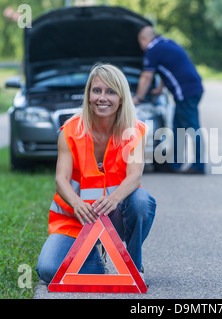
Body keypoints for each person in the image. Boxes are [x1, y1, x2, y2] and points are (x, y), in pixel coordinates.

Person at [36, 64, 156, 283]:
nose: (103, 98)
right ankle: (100, 263)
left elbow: (135, 175)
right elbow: (60, 180)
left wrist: (113, 199)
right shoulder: (70, 130)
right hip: (76, 220)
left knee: (141, 201)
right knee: (48, 269)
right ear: (88, 95)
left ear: (121, 98)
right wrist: (76, 204)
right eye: (97, 90)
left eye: (111, 91)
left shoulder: (135, 131)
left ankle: (132, 267)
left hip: (114, 216)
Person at [133, 26, 205, 174]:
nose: (140, 46)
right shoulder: (167, 43)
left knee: (192, 127)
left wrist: (138, 98)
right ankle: (174, 165)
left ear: (144, 39)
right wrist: (160, 89)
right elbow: (169, 69)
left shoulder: (152, 50)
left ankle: (198, 166)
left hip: (186, 92)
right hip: (192, 88)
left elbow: (147, 76)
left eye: (140, 42)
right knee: (179, 127)